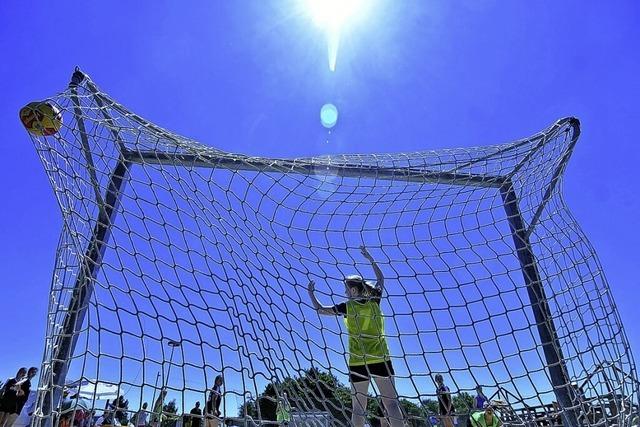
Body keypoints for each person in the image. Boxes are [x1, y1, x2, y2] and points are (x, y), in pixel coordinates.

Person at [307, 246, 404, 427]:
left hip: (358, 361)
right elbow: (381, 278)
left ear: (352, 291)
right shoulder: (374, 299)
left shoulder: (347, 307)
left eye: (346, 289)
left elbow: (320, 310)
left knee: (359, 408)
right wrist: (370, 259)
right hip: (380, 357)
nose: (344, 292)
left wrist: (310, 294)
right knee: (391, 403)